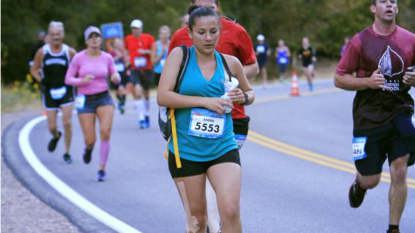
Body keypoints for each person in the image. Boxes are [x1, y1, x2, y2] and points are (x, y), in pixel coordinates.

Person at [158, 6, 254, 233]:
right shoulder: (179, 56)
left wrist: (244, 96)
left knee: (230, 211)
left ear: (220, 31)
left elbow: (250, 94)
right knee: (198, 221)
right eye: (201, 32)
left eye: (213, 31)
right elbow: (163, 96)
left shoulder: (231, 63)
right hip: (186, 151)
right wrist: (205, 102)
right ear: (190, 33)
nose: (208, 38)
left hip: (223, 146)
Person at [334, 1, 415, 232]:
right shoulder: (359, 41)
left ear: (397, 9)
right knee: (372, 179)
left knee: (400, 170)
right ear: (373, 8)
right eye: (383, 1)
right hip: (367, 116)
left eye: (393, 1)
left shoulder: (410, 40)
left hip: (400, 111)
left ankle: (393, 228)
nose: (389, 4)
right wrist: (368, 82)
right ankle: (360, 185)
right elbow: (339, 78)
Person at [65, 26, 121, 182]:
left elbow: (114, 73)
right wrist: (81, 81)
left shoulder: (107, 57)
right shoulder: (78, 58)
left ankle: (102, 169)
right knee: (90, 139)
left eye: (97, 36)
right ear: (86, 40)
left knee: (105, 131)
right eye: (91, 36)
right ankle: (88, 149)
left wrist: (116, 77)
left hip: (104, 98)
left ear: (101, 39)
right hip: (85, 100)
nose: (95, 39)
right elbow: (68, 79)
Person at [30, 21, 76, 164]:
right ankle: (56, 136)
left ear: (63, 35)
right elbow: (33, 68)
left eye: (58, 34)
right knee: (52, 127)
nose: (56, 37)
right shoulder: (42, 52)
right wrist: (40, 79)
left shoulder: (69, 52)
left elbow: (79, 67)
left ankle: (67, 152)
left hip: (66, 90)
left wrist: (77, 81)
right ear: (48, 36)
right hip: (49, 91)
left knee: (67, 122)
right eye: (53, 34)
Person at [125, 19, 155, 129]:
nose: (135, 30)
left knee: (146, 93)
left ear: (141, 29)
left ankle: (146, 113)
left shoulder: (149, 38)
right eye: (133, 28)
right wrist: (127, 60)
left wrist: (146, 52)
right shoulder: (128, 39)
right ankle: (141, 117)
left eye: (137, 28)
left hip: (147, 68)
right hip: (135, 69)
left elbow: (154, 51)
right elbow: (127, 52)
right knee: (137, 91)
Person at [109, 37, 130, 114]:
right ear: (114, 44)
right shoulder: (111, 52)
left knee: (122, 89)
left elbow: (127, 61)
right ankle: (120, 102)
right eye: (117, 43)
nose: (118, 44)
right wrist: (117, 57)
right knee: (118, 90)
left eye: (119, 42)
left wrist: (127, 60)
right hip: (115, 73)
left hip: (123, 73)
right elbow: (109, 62)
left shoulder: (124, 52)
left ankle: (121, 105)